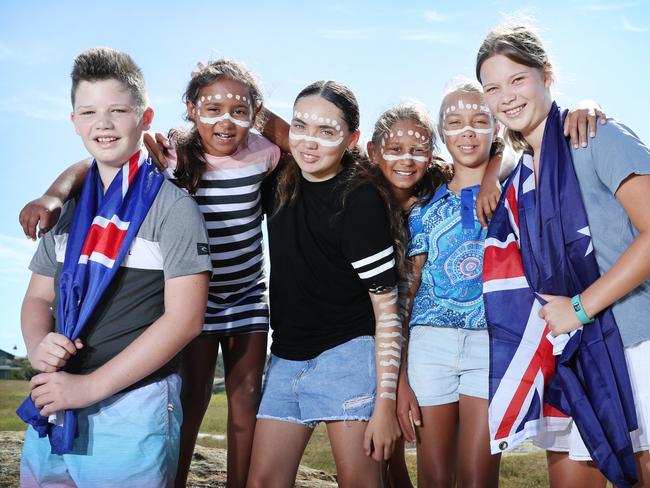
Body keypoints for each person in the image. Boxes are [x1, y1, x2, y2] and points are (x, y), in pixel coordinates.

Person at [17, 58, 280, 487]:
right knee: (194, 399)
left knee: (244, 399)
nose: (103, 122)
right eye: (88, 112)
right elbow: (38, 296)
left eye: (118, 110)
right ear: (190, 110)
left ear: (144, 117)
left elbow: (181, 320)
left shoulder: (255, 161)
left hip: (237, 298)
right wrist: (53, 194)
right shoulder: (169, 158)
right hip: (73, 385)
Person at [477, 22, 650, 487]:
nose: (507, 97)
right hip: (571, 360)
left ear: (546, 74)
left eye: (517, 79)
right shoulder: (519, 178)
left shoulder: (595, 136)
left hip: (635, 346)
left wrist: (579, 308)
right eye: (492, 88)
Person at [246, 80, 402, 487]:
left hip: (347, 354)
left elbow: (386, 309)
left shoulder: (360, 200)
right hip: (285, 356)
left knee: (360, 482)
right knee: (262, 482)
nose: (310, 142)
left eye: (327, 132)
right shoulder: (279, 178)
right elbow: (251, 115)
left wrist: (385, 406)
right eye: (301, 126)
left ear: (352, 140)